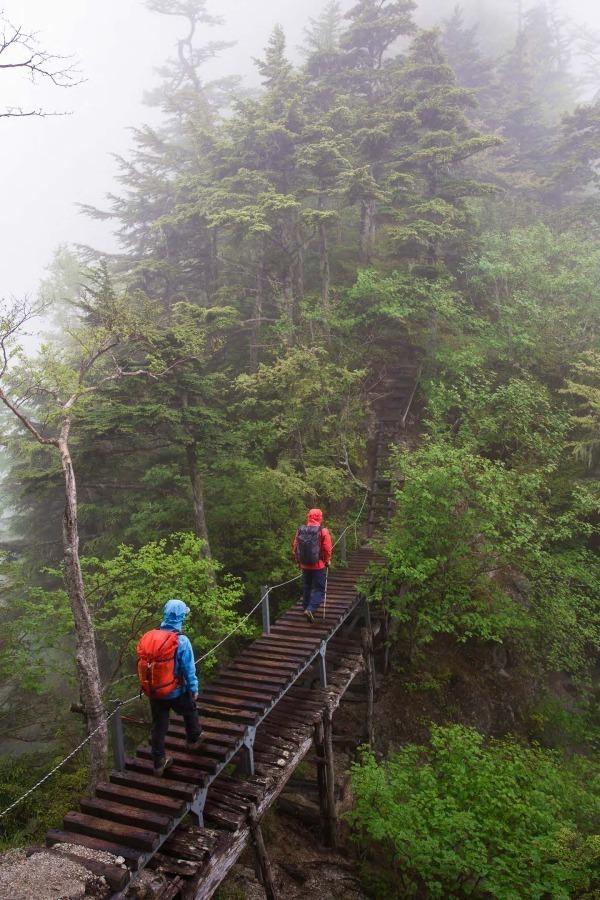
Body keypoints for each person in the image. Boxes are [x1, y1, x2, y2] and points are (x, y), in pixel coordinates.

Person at [136, 598, 202, 777]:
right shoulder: (182, 641)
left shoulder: (150, 636)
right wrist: (194, 689)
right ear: (181, 617)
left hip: (155, 692)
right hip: (176, 691)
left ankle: (158, 763)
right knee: (190, 711)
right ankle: (193, 740)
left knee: (159, 727)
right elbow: (189, 669)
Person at [292, 508, 333, 623]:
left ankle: (305, 608)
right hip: (318, 565)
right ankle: (310, 609)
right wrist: (327, 560)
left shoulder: (300, 530)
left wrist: (298, 561)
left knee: (307, 586)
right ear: (320, 517)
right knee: (319, 589)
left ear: (308, 517)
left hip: (305, 565)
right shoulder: (322, 531)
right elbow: (327, 548)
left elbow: (295, 547)